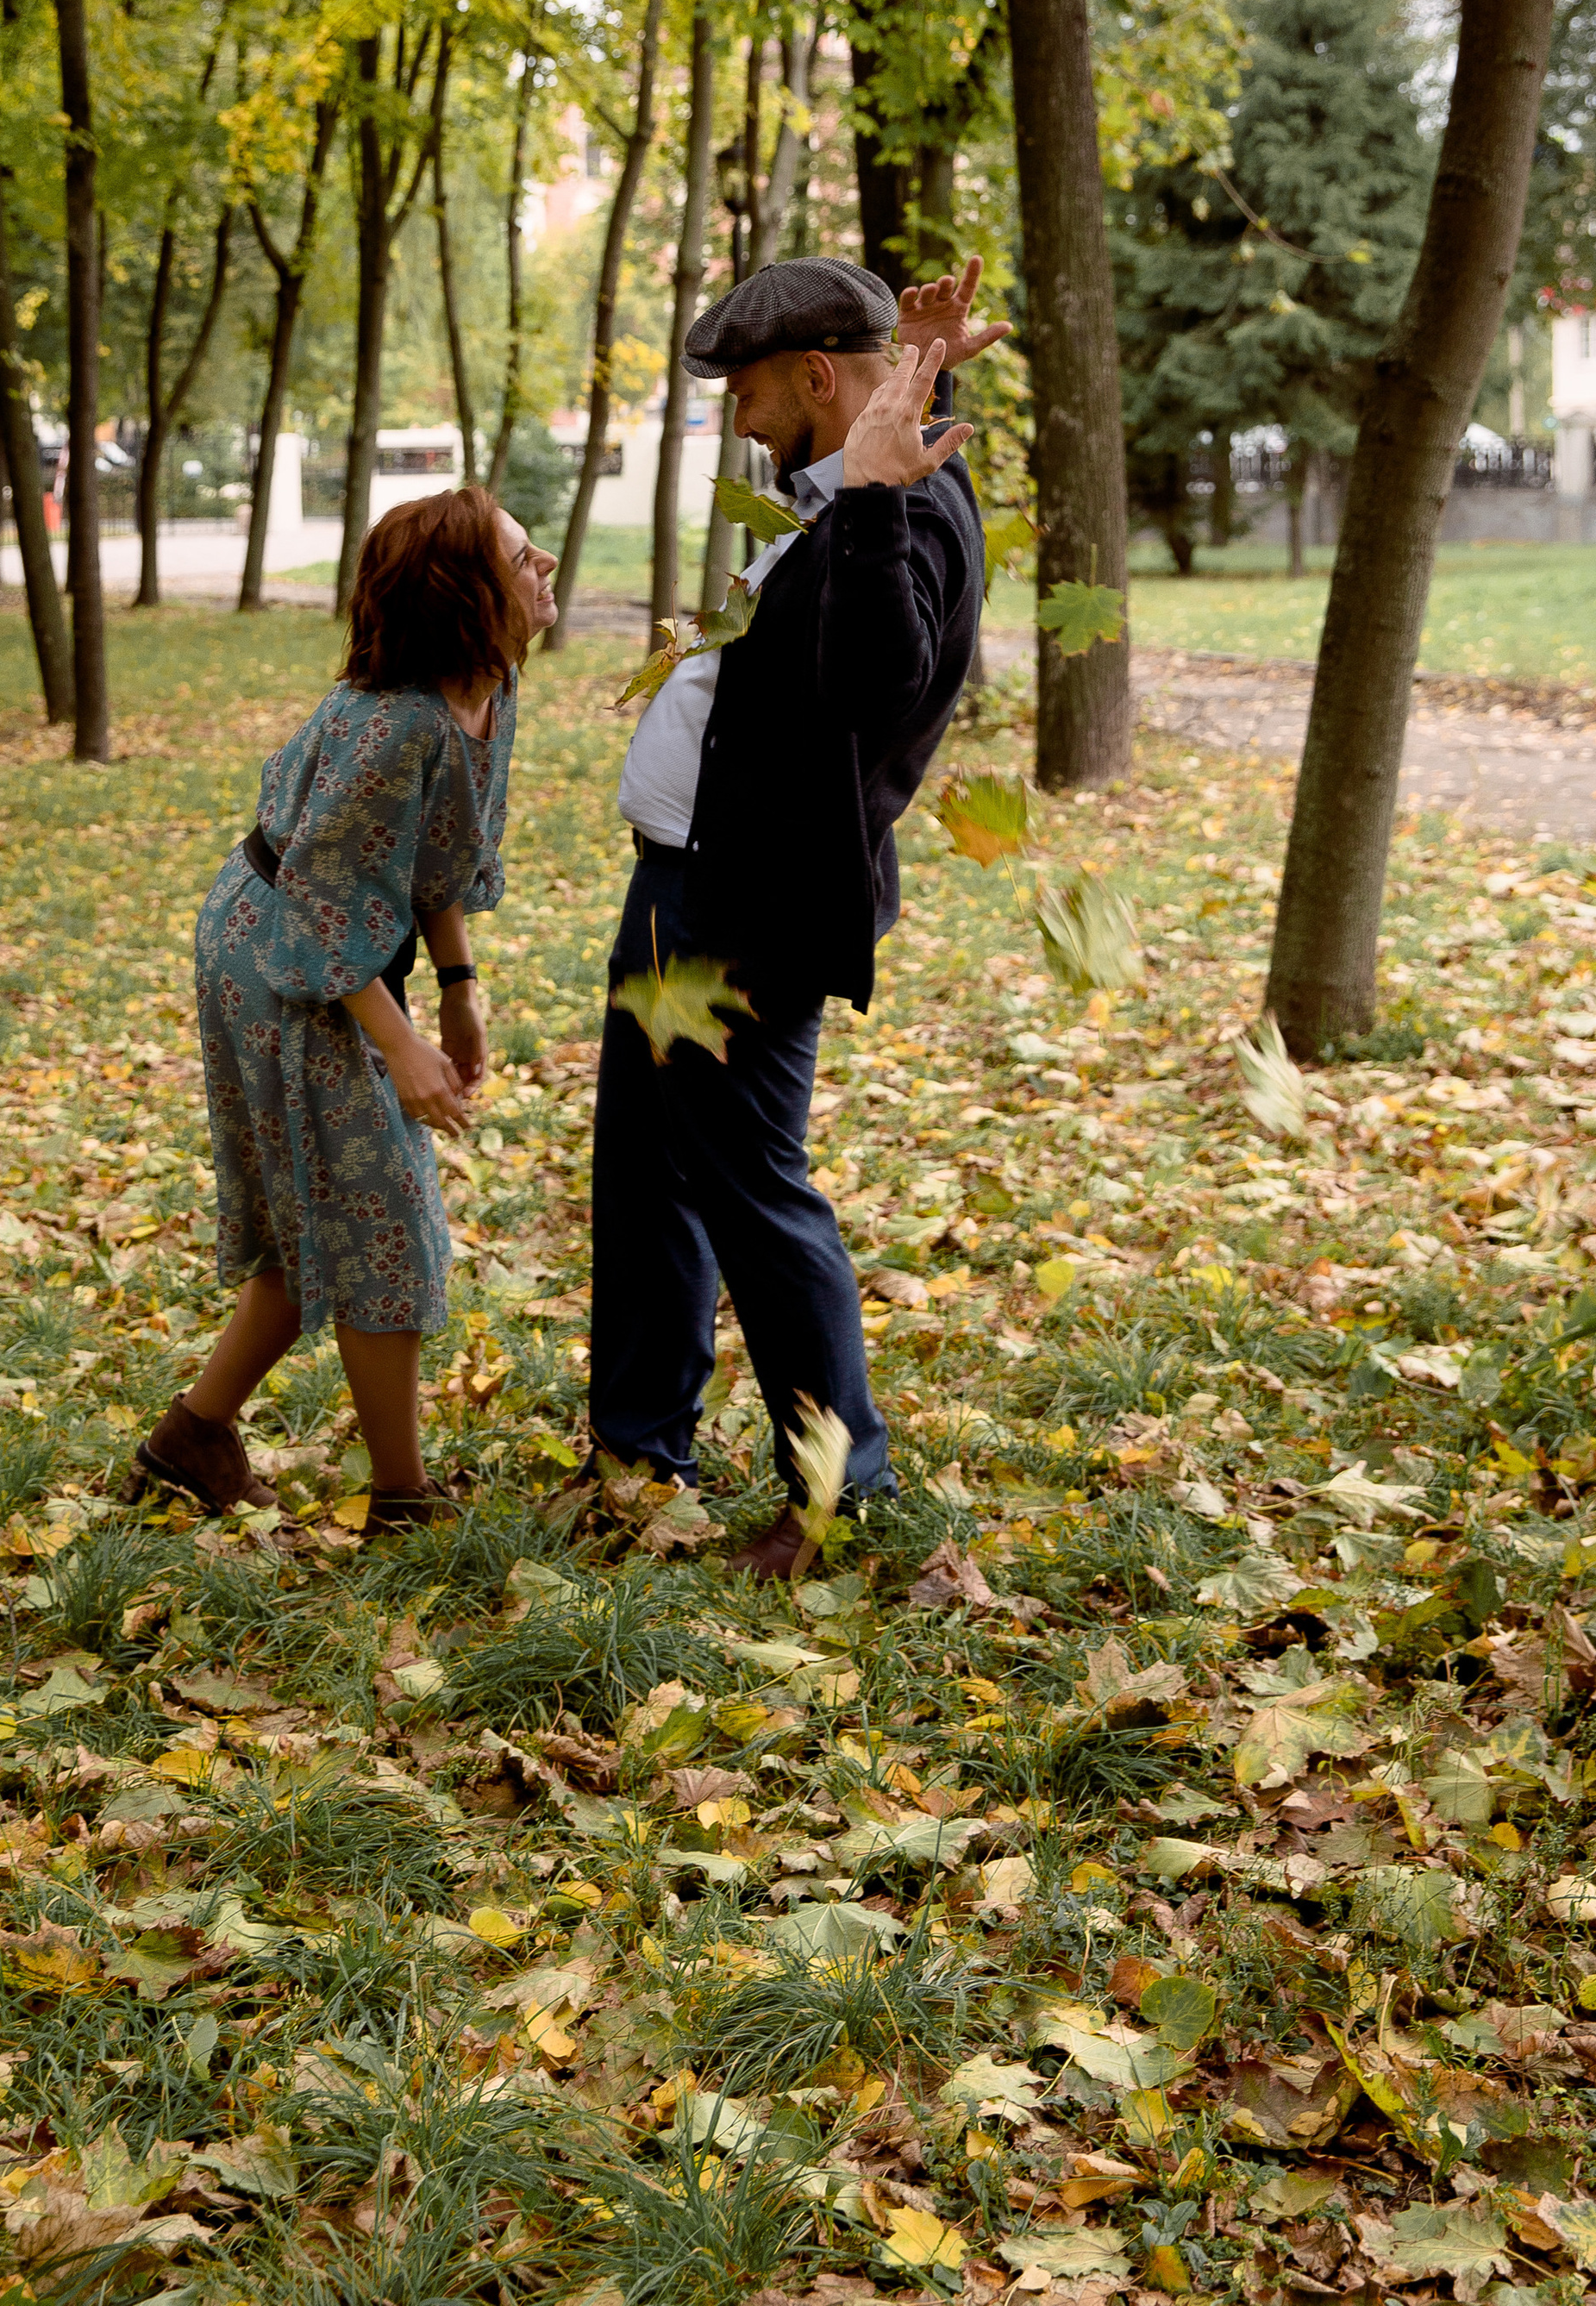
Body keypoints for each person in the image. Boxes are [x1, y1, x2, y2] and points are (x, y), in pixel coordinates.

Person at [588, 253, 1009, 1581]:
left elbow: (880, 684)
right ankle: (639, 1450)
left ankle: (839, 1491)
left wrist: (882, 490)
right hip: (687, 892)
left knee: (756, 1196)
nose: (737, 415)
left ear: (820, 378)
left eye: (751, 388)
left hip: (747, 912)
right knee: (650, 1175)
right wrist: (909, 385)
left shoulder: (907, 506)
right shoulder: (837, 485)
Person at [129, 487, 556, 1534]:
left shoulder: (485, 687)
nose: (543, 558)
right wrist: (398, 1039)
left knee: (318, 1205)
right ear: (462, 591)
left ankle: (191, 1440)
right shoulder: (393, 726)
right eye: (515, 552)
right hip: (277, 956)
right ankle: (403, 1500)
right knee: (380, 1216)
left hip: (337, 941)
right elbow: (319, 897)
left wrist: (458, 992)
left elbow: (431, 860)